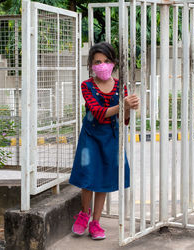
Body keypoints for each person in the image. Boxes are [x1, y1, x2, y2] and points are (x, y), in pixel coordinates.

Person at [69, 42, 139, 240]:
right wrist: (122, 105)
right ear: (91, 65)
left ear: (113, 63)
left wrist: (131, 107)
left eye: (106, 61)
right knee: (88, 179)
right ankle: (84, 214)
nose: (102, 65)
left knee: (104, 180)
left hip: (111, 138)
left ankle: (96, 222)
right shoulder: (87, 86)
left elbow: (123, 120)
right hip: (90, 138)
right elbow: (98, 113)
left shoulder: (120, 87)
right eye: (97, 61)